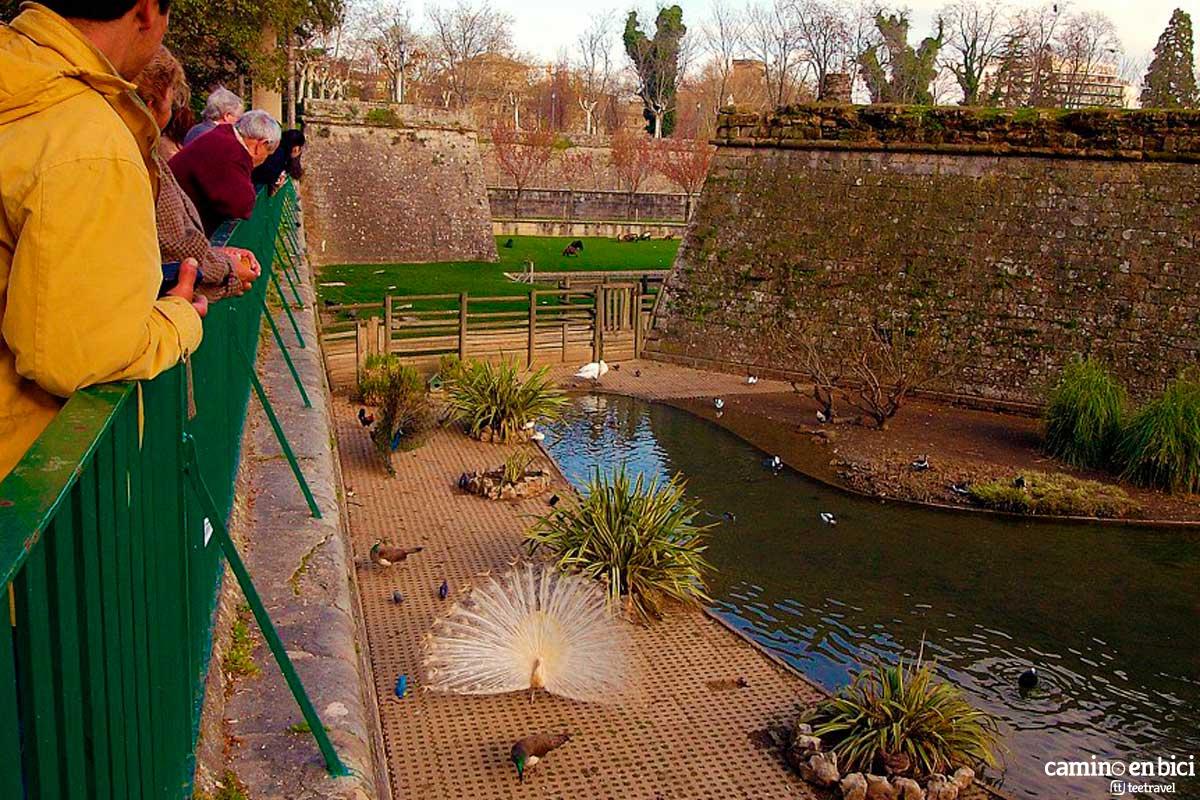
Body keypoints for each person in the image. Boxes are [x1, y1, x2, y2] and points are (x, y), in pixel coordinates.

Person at [0, 0, 206, 481]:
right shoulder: (86, 140)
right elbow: (77, 356)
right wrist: (178, 320)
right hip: (25, 489)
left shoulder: (22, 83)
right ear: (146, 11)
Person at [134, 45, 261, 300]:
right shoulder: (138, 158)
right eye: (170, 103)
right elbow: (176, 250)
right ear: (150, 106)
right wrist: (229, 269)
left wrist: (216, 256)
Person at [170, 109, 281, 236]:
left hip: (176, 216)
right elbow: (242, 205)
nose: (264, 160)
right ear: (260, 145)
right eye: (268, 154)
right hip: (174, 227)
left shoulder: (222, 137)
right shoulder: (232, 152)